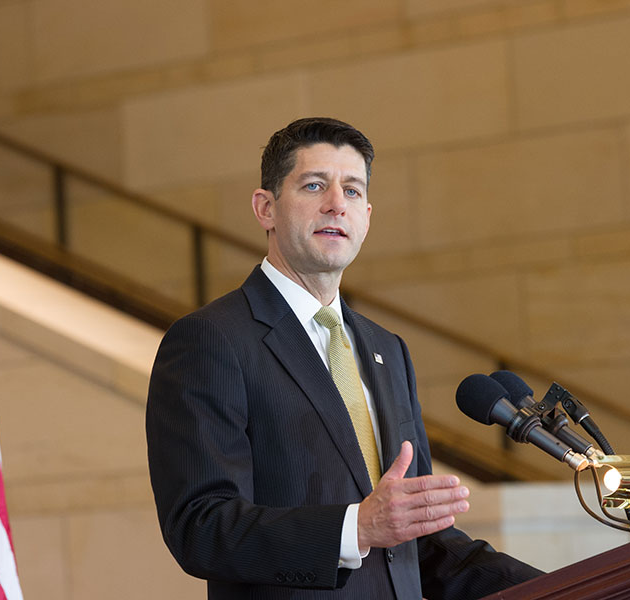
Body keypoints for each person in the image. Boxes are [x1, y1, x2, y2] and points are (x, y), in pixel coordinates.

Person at [146, 117, 543, 599]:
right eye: (314, 185)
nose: (337, 204)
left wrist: (575, 589)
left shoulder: (387, 349)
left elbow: (420, 543)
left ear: (368, 217)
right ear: (265, 208)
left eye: (352, 191)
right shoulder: (211, 340)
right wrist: (356, 527)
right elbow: (200, 527)